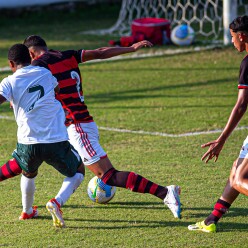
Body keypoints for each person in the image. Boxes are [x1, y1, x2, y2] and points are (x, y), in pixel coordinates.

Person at [20, 35, 182, 223]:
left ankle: (165, 192)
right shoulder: (68, 55)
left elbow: (26, 85)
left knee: (107, 176)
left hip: (78, 126)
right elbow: (100, 53)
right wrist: (130, 48)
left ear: (31, 53)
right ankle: (56, 202)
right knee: (75, 167)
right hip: (75, 125)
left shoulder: (39, 66)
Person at [0, 43, 85, 227]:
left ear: (11, 63)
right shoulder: (46, 73)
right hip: (55, 138)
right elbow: (56, 91)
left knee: (28, 172)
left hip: (28, 141)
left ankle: (27, 211)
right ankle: (57, 201)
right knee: (78, 171)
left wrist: (14, 101)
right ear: (31, 59)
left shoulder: (9, 81)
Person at [188, 15, 248, 233]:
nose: (232, 42)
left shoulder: (247, 64)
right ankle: (211, 220)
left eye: (233, 37)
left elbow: (241, 105)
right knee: (235, 169)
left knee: (240, 179)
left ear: (242, 36)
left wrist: (221, 139)